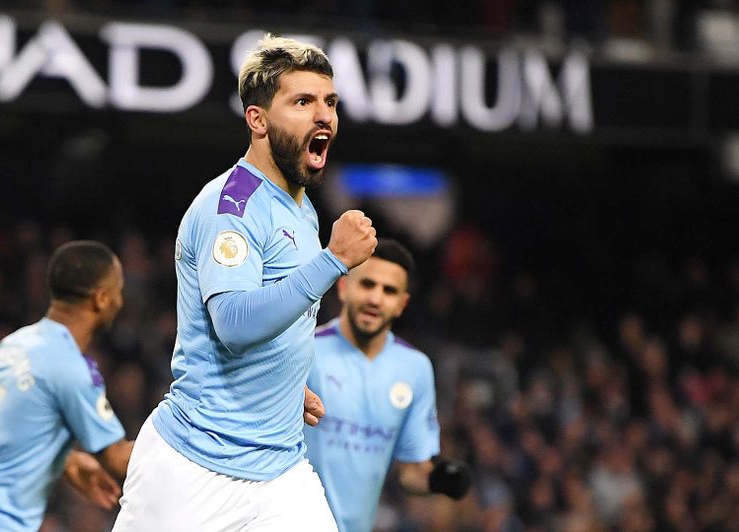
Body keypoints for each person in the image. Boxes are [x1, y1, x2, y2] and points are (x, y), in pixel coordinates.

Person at [112, 34, 377, 531]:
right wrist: (334, 259)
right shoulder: (229, 207)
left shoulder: (301, 206)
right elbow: (233, 323)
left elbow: (276, 307)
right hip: (194, 468)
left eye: (330, 102)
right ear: (257, 120)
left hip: (281, 472)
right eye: (302, 102)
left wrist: (280, 384)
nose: (324, 116)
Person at [0, 240, 134, 531]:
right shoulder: (70, 365)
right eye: (118, 291)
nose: (120, 301)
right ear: (101, 299)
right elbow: (118, 459)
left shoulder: (13, 346)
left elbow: (7, 435)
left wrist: (65, 461)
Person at [304, 239, 472, 532]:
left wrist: (439, 479)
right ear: (344, 288)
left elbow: (412, 470)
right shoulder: (306, 350)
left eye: (389, 290)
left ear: (402, 304)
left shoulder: (415, 368)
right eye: (367, 284)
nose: (376, 298)